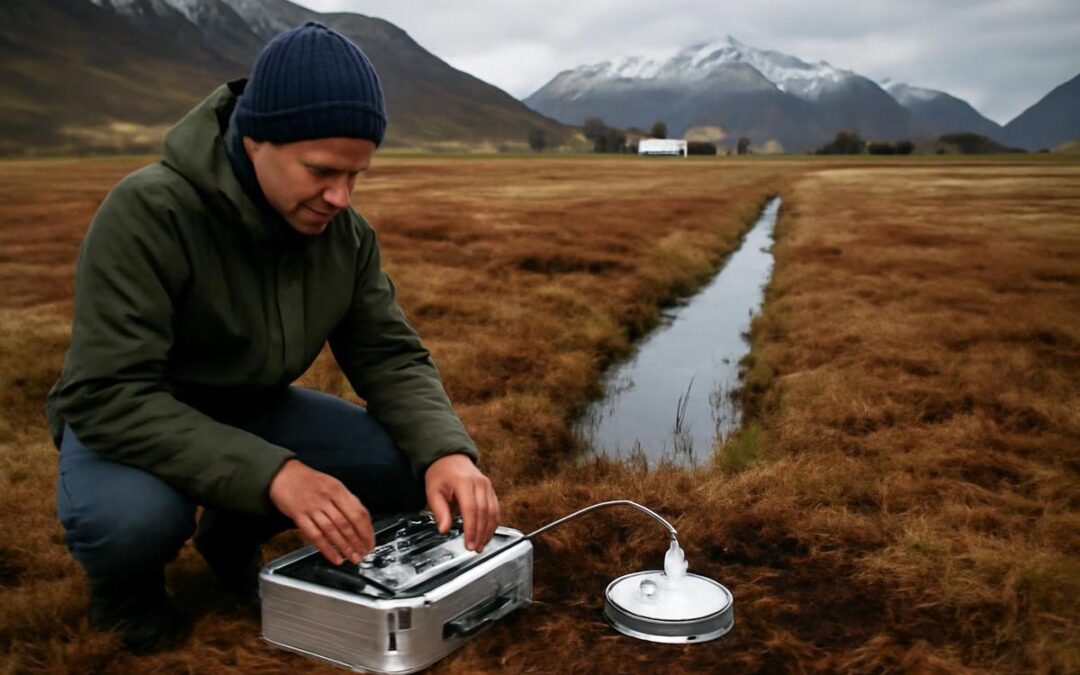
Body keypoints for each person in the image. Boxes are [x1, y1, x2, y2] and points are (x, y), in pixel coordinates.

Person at [45, 21, 500, 653]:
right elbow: (106, 393)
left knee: (404, 465)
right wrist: (276, 473)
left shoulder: (346, 235)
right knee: (132, 523)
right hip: (130, 423)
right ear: (254, 140)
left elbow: (388, 354)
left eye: (356, 176)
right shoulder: (148, 212)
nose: (340, 197)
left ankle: (229, 538)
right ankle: (127, 596)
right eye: (320, 171)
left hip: (253, 411)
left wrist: (447, 451)